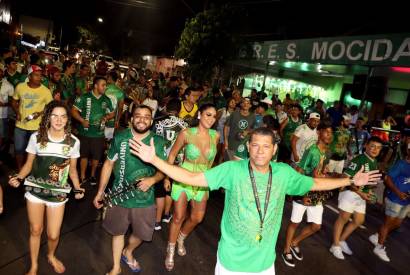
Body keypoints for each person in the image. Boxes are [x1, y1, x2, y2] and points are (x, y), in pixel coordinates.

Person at [129, 127, 380, 274]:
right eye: (255, 145)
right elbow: (191, 177)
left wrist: (349, 181)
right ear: (248, 147)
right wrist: (155, 161)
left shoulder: (283, 173)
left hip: (264, 265)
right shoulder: (231, 170)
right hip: (229, 263)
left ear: (274, 150)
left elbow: (314, 183)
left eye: (266, 146)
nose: (260, 151)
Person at [8, 100, 84, 275]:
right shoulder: (36, 137)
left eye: (63, 116)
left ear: (67, 120)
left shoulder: (73, 142)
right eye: (54, 116)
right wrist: (19, 178)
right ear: (48, 117)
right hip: (35, 190)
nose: (58, 120)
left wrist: (78, 188)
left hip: (58, 193)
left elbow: (72, 170)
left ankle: (51, 255)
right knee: (35, 230)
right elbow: (28, 165)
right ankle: (34, 265)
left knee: (53, 235)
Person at [93, 105, 166, 275]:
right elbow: (109, 163)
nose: (142, 119)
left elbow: (164, 170)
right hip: (119, 195)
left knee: (143, 234)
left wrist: (152, 179)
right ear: (131, 119)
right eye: (138, 116)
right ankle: (116, 267)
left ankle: (128, 251)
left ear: (151, 120)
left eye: (146, 116)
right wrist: (100, 191)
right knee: (117, 232)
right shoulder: (120, 138)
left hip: (145, 198)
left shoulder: (158, 142)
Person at [162, 103, 219, 271]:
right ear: (200, 114)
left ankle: (181, 238)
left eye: (214, 116)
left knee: (197, 218)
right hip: (183, 178)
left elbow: (212, 160)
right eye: (208, 114)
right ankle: (170, 249)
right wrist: (167, 176)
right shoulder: (186, 133)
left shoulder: (215, 136)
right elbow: (172, 155)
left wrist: (211, 179)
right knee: (178, 217)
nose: (211, 119)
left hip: (202, 181)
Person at [282, 121, 333, 267]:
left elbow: (322, 169)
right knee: (295, 223)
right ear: (319, 133)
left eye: (331, 133)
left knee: (316, 226)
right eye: (326, 132)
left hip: (317, 194)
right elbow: (299, 172)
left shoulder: (328, 152)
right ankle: (286, 250)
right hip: (304, 192)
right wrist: (302, 194)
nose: (329, 135)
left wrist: (325, 174)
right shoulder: (312, 151)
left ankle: (294, 242)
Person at [330, 136, 383, 260]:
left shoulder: (374, 161)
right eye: (373, 146)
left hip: (361, 195)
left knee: (359, 221)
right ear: (366, 146)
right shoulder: (359, 159)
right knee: (343, 218)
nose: (375, 150)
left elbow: (368, 181)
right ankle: (335, 245)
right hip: (350, 193)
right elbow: (346, 178)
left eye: (379, 148)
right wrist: (361, 193)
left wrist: (369, 192)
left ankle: (342, 240)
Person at [368, 143, 410, 262]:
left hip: (407, 201)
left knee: (397, 224)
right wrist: (398, 193)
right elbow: (387, 178)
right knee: (388, 223)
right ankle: (379, 247)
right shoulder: (402, 164)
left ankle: (376, 236)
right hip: (395, 198)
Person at [71, 76, 115, 186]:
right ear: (96, 86)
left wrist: (106, 118)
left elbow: (113, 113)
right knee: (84, 155)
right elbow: (73, 111)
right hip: (84, 133)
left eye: (106, 85)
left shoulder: (106, 99)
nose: (105, 87)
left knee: (96, 157)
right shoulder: (84, 97)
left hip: (99, 134)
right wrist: (82, 120)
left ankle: (93, 175)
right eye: (103, 85)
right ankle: (82, 176)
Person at [153, 98, 188, 230]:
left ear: (166, 108)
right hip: (177, 162)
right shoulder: (185, 125)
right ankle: (167, 215)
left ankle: (157, 221)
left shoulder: (158, 122)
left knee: (160, 192)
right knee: (170, 190)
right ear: (180, 110)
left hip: (161, 160)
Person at [11, 65, 53, 170]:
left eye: (40, 75)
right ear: (29, 76)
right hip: (20, 125)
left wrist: (40, 113)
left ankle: (31, 171)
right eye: (36, 75)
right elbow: (14, 101)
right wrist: (17, 112)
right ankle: (20, 169)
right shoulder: (20, 87)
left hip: (36, 127)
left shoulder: (45, 91)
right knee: (19, 149)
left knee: (34, 151)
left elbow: (51, 107)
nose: (39, 78)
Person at [105, 71, 125, 140]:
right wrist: (118, 120)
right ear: (116, 80)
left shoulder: (103, 88)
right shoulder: (120, 92)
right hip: (112, 120)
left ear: (109, 78)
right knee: (108, 138)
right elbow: (120, 108)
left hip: (100, 117)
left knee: (98, 138)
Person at [0, 63, 14, 162]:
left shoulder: (8, 86)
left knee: (3, 137)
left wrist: (4, 104)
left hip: (2, 115)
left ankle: (3, 155)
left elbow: (13, 102)